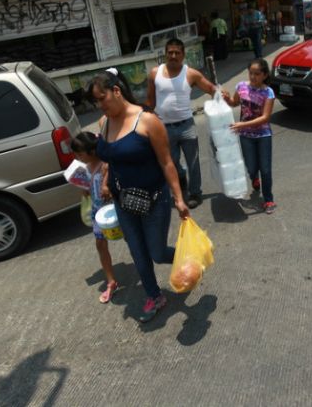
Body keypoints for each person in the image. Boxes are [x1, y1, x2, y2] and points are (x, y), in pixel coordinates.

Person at [88, 67, 190, 322]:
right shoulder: (104, 123)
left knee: (156, 252)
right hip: (124, 201)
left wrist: (178, 198)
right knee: (137, 252)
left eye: (102, 98)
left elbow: (167, 162)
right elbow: (109, 159)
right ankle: (155, 296)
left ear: (116, 91)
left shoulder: (147, 121)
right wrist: (106, 183)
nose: (100, 105)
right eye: (95, 101)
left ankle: (189, 258)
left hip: (155, 200)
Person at [145, 38, 219, 209]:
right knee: (172, 162)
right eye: (170, 52)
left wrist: (226, 98)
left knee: (193, 161)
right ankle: (181, 180)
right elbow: (150, 101)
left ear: (183, 55)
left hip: (187, 126)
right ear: (165, 54)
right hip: (164, 128)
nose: (173, 56)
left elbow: (210, 89)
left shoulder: (191, 74)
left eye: (177, 52)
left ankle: (195, 193)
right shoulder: (155, 73)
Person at [222, 58, 277, 214]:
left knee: (265, 169)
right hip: (246, 136)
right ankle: (254, 179)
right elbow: (234, 103)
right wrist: (227, 99)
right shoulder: (241, 87)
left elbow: (265, 117)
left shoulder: (268, 92)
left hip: (263, 135)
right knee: (251, 167)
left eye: (257, 74)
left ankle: (268, 199)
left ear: (265, 75)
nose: (253, 77)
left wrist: (241, 125)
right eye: (251, 73)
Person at [70, 132, 119, 303]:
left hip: (115, 210)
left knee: (131, 239)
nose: (78, 157)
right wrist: (84, 189)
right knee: (100, 243)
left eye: (80, 154)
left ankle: (144, 268)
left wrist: (106, 183)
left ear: (92, 151)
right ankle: (111, 280)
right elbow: (88, 190)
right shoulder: (85, 168)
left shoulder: (106, 165)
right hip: (98, 212)